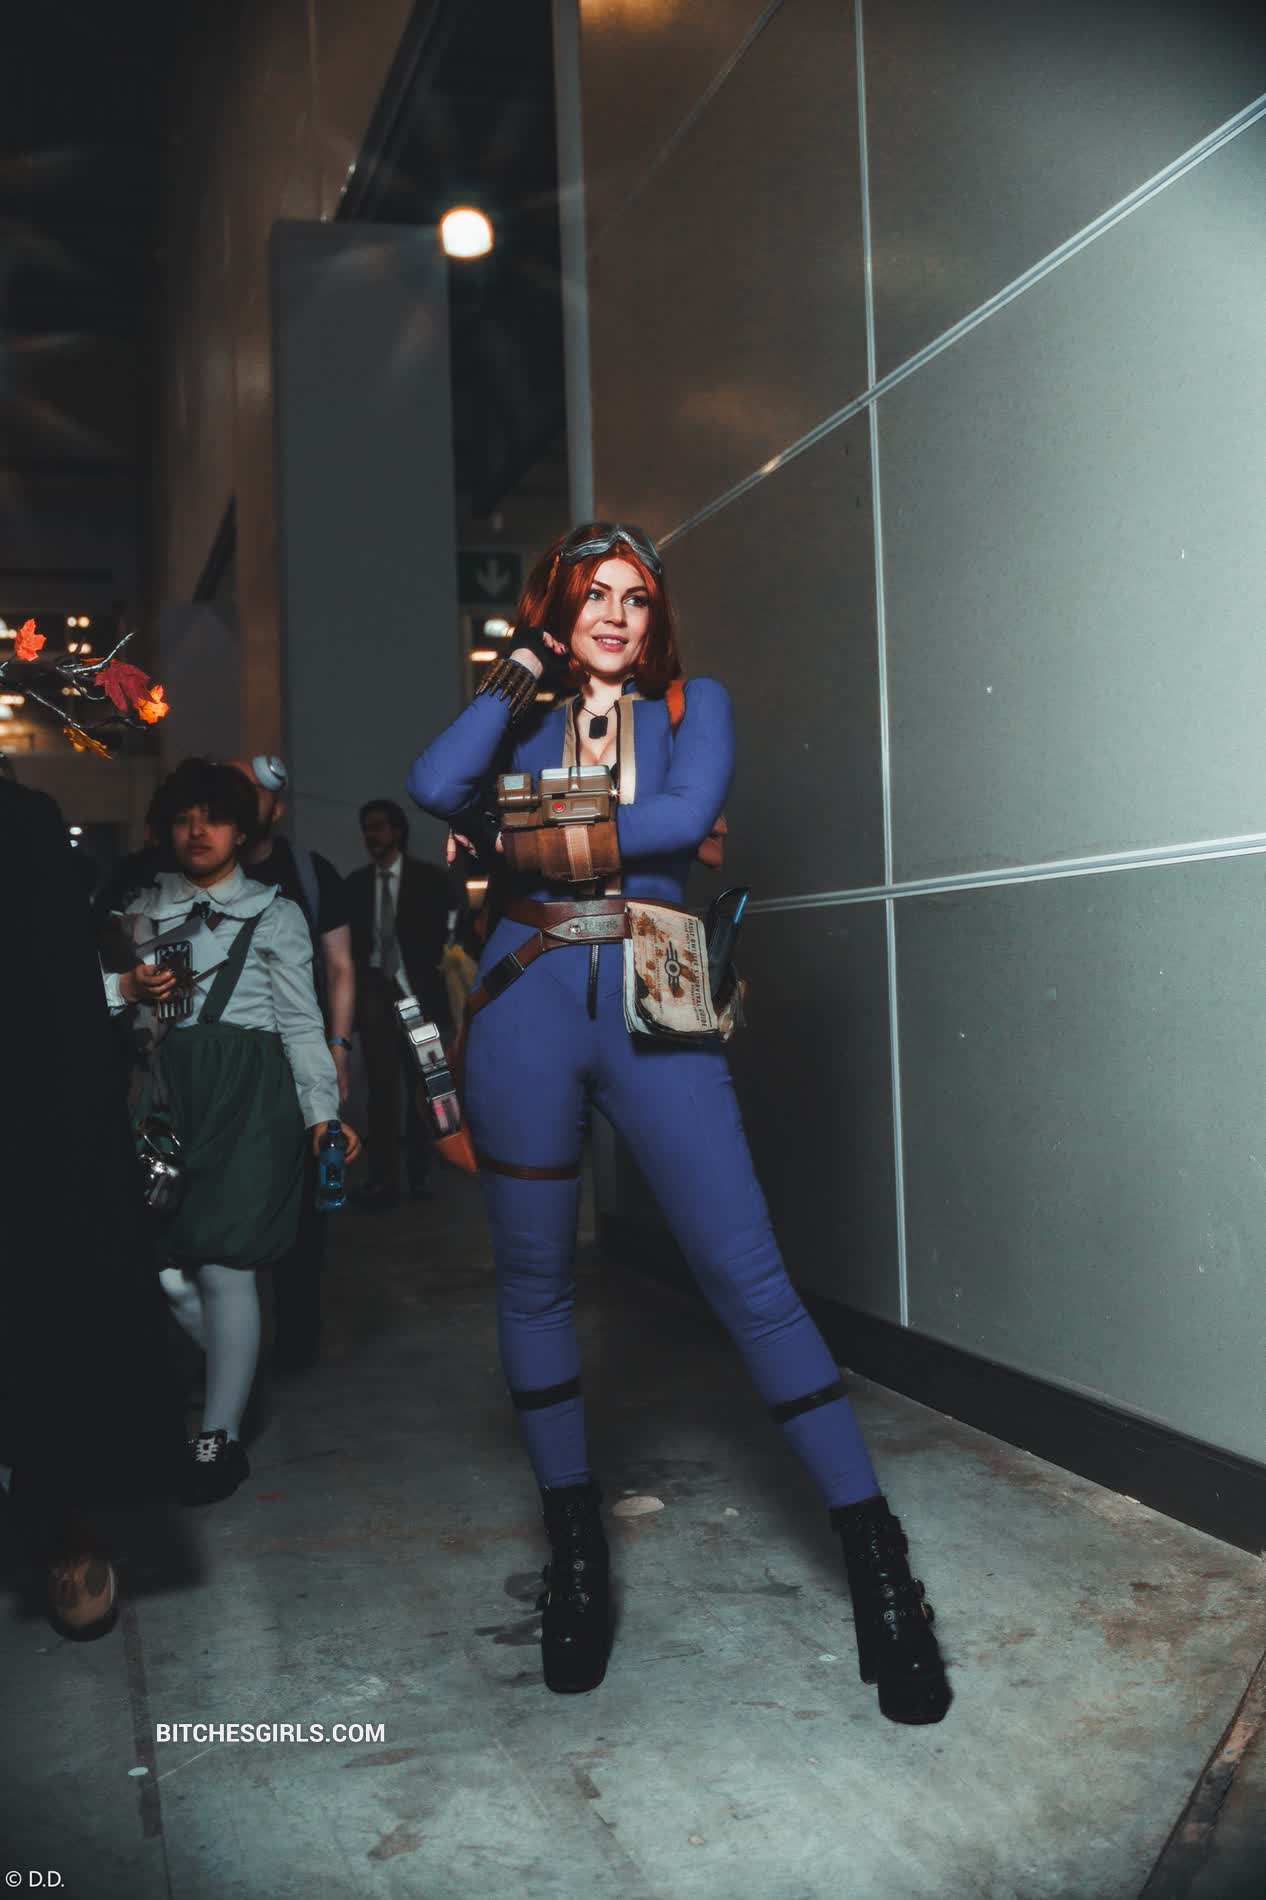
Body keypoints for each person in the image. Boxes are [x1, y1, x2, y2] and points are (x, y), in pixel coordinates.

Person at [407, 521, 951, 1722]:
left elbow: (684, 812)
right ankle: (577, 1560)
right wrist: (520, 670)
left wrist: (520, 831)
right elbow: (434, 786)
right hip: (522, 1005)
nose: (615, 613)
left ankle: (879, 1562)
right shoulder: (521, 713)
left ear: (656, 616)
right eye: (590, 595)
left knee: (751, 1279)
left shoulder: (693, 705)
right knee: (535, 1285)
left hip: (655, 987)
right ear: (557, 610)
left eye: (635, 597)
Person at [105, 759, 361, 1504]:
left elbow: (301, 1024)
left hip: (250, 1101)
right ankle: (239, 1375)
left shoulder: (275, 912)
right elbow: (83, 999)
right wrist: (124, 986)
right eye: (184, 818)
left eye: (214, 818)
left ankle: (218, 1437)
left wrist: (322, 1115)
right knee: (162, 1270)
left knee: (226, 1266)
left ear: (242, 830)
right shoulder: (142, 907)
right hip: (162, 1098)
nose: (198, 831)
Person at [1, 778, 183, 1637]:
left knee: (42, 1299)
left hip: (25, 1118)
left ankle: (65, 1519)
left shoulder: (22, 824)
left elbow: (57, 994)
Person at [229, 756, 355, 1371]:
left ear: (276, 808)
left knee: (306, 1204)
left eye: (253, 791)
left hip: (300, 1060)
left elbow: (340, 967)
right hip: (230, 1066)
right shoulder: (197, 874)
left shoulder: (309, 873)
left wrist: (338, 1050)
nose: (240, 798)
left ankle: (297, 1337)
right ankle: (231, 1343)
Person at [346, 800, 450, 1208]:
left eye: (378, 827)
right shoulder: (356, 884)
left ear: (398, 831)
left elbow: (445, 931)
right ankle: (383, 1178)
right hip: (376, 989)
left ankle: (420, 1175)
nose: (370, 836)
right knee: (380, 1087)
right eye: (366, 828)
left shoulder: (428, 879)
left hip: (417, 989)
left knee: (422, 1082)